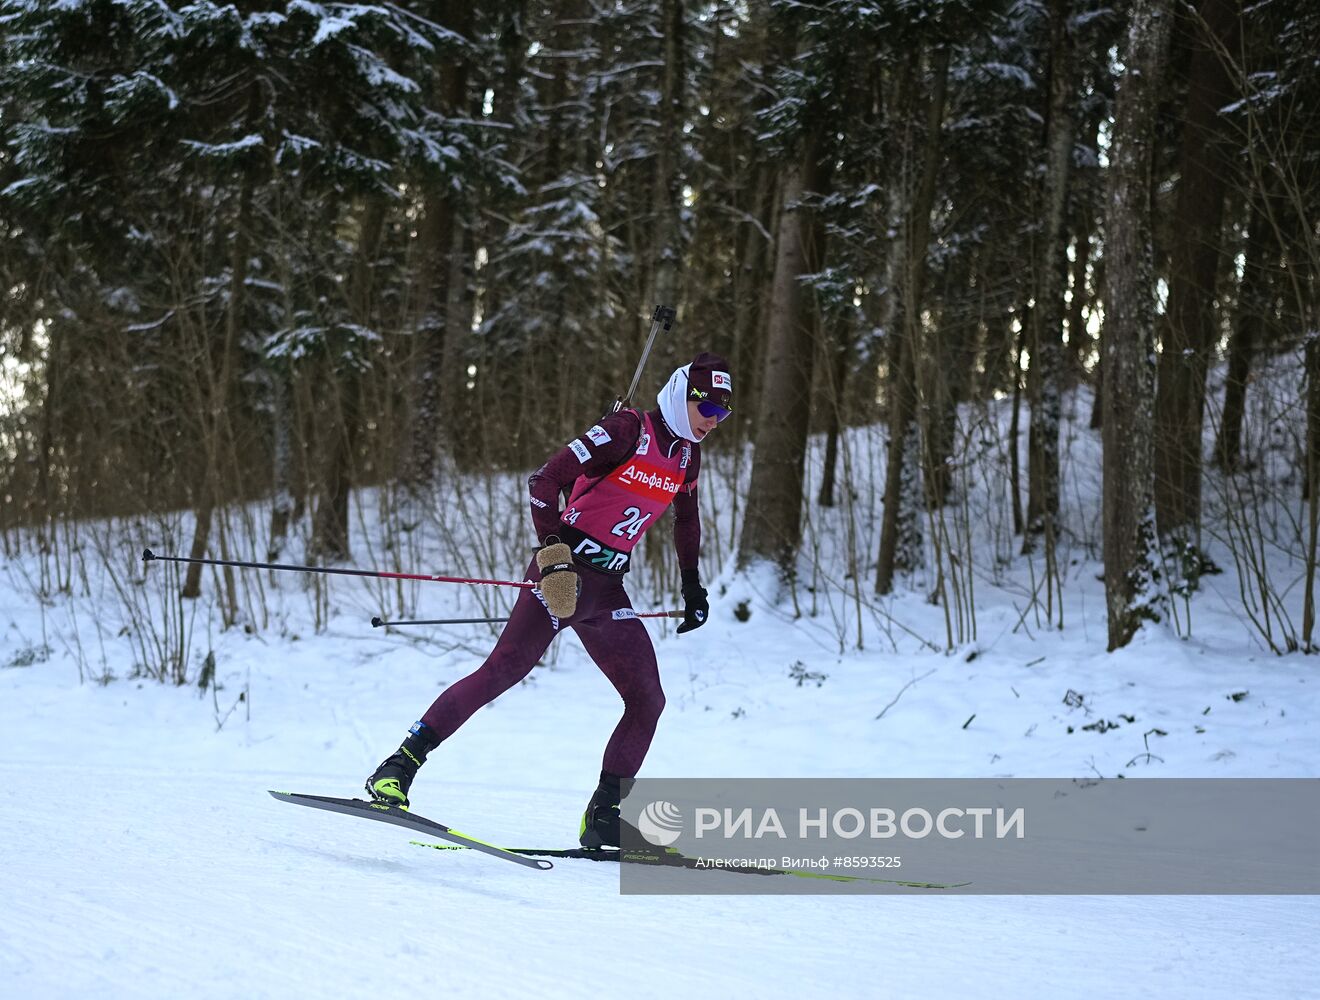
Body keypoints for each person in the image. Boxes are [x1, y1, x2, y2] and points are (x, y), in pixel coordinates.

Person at [366, 352, 734, 849]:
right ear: (681, 395)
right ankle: (396, 768)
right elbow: (544, 481)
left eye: (722, 414)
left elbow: (686, 520)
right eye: (706, 409)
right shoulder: (628, 429)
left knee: (648, 699)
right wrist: (554, 556)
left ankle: (603, 816)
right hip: (562, 577)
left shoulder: (688, 455)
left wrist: (691, 585)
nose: (713, 422)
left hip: (606, 590)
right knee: (501, 672)